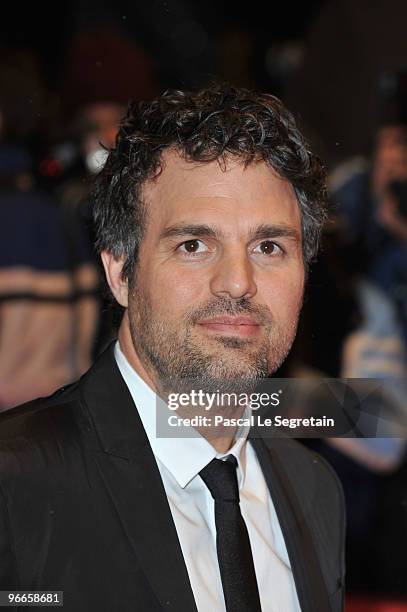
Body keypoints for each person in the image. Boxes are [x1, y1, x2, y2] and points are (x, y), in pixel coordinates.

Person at [0, 84, 345, 612]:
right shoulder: (17, 485)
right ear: (119, 272)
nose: (237, 282)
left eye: (269, 246)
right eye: (193, 245)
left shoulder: (315, 490)